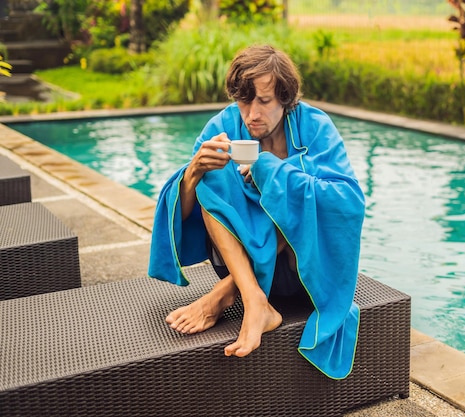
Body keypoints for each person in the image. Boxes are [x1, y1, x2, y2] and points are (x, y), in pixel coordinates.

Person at [148, 44, 365, 379]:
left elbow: (348, 202)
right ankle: (254, 301)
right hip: (234, 261)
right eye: (244, 101)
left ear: (286, 98)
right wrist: (193, 171)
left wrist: (272, 171)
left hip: (301, 272)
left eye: (263, 101)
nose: (251, 114)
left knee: (292, 192)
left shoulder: (315, 127)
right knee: (210, 178)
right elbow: (185, 212)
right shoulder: (223, 125)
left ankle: (226, 294)